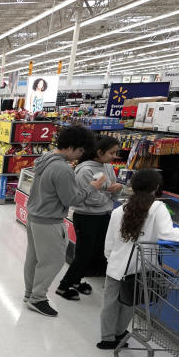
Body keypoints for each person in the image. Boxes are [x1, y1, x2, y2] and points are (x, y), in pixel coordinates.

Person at [98, 169, 179, 349]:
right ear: (156, 187)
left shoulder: (119, 210)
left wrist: (111, 260)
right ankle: (120, 334)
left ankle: (107, 339)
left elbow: (109, 242)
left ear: (132, 186)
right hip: (142, 267)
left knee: (111, 303)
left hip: (116, 267)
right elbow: (169, 233)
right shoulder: (157, 207)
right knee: (129, 302)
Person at [23, 124, 110, 317]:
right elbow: (72, 199)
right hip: (49, 221)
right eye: (80, 150)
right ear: (71, 147)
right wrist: (93, 187)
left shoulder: (45, 158)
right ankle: (37, 298)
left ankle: (30, 293)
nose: (80, 155)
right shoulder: (62, 168)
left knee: (34, 258)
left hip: (34, 217)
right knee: (53, 261)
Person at [56, 136, 123, 300]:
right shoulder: (85, 170)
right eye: (112, 152)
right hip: (86, 217)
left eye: (116, 152)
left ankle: (77, 281)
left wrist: (114, 191)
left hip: (103, 215)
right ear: (99, 152)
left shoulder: (107, 167)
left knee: (94, 252)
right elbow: (90, 198)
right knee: (83, 253)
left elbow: (112, 189)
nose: (115, 156)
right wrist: (109, 194)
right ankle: (64, 286)